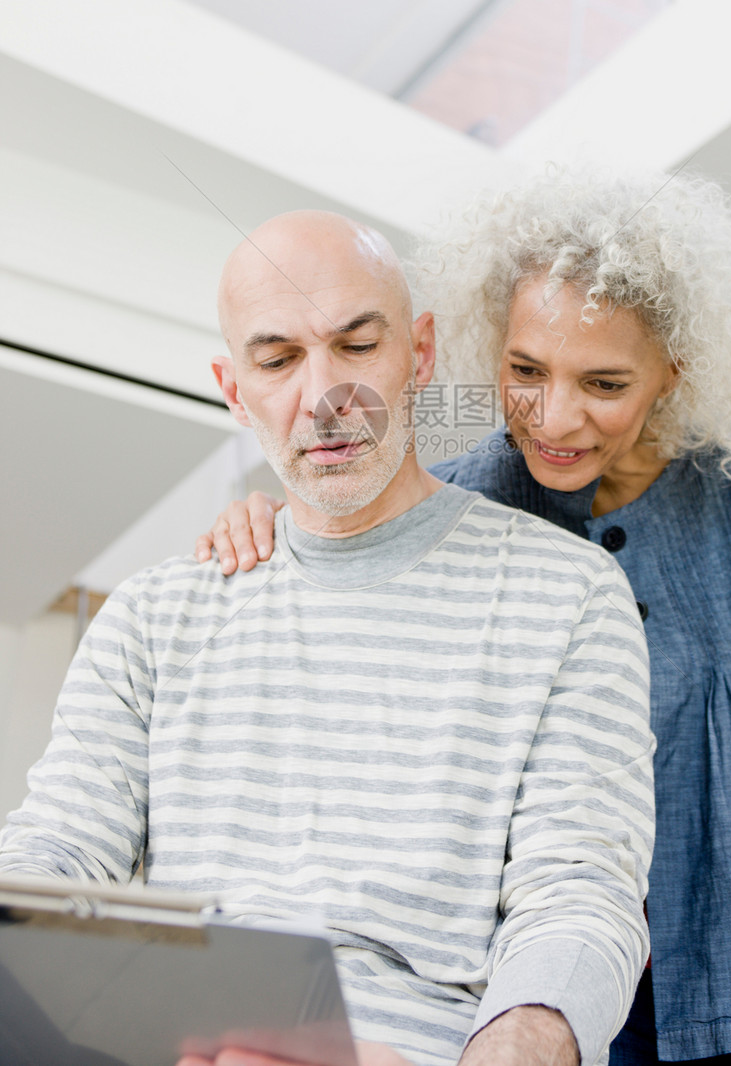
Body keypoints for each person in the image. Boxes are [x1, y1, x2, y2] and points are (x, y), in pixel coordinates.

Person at [200, 169, 731, 1064]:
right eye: (524, 371)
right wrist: (266, 519)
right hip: (576, 1010)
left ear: (676, 370)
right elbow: (350, 547)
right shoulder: (472, 500)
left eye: (604, 382)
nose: (555, 417)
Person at [0, 210, 656, 1066]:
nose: (326, 398)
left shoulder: (572, 596)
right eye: (277, 361)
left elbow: (578, 897)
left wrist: (512, 1049)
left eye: (357, 347)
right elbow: (55, 854)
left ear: (419, 354)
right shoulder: (150, 619)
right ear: (234, 389)